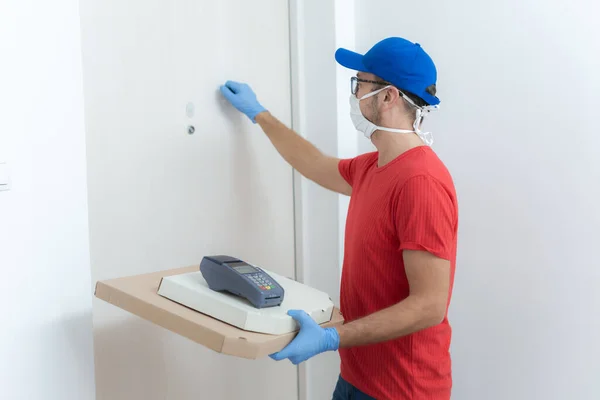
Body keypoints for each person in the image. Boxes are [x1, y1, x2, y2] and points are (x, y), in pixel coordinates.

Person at [220, 37, 458, 400]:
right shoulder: (372, 167)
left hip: (402, 390)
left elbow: (429, 306)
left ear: (388, 96)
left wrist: (332, 337)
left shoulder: (420, 183)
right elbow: (313, 163)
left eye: (360, 83)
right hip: (356, 379)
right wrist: (259, 114)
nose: (354, 92)